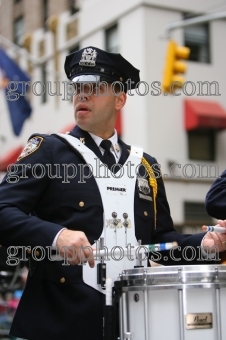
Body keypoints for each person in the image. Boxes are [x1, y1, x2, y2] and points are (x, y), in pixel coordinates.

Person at [0, 46, 226, 340]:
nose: (82, 94)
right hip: (56, 327)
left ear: (120, 98)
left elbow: (160, 241)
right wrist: (56, 236)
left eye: (94, 87)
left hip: (130, 325)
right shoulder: (50, 150)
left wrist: (206, 244)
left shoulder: (146, 166)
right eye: (78, 87)